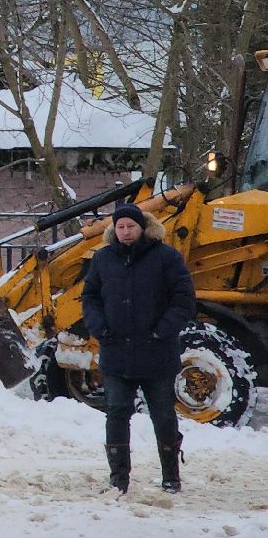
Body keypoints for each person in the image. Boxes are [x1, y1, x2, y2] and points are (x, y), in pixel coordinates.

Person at [81, 202, 196, 494]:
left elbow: (183, 300)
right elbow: (90, 297)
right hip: (116, 352)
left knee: (163, 414)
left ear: (143, 227)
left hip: (156, 353)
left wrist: (162, 330)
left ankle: (171, 476)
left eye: (131, 226)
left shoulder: (166, 257)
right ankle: (119, 478)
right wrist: (100, 328)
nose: (125, 231)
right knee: (117, 412)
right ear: (113, 230)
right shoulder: (103, 259)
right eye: (120, 227)